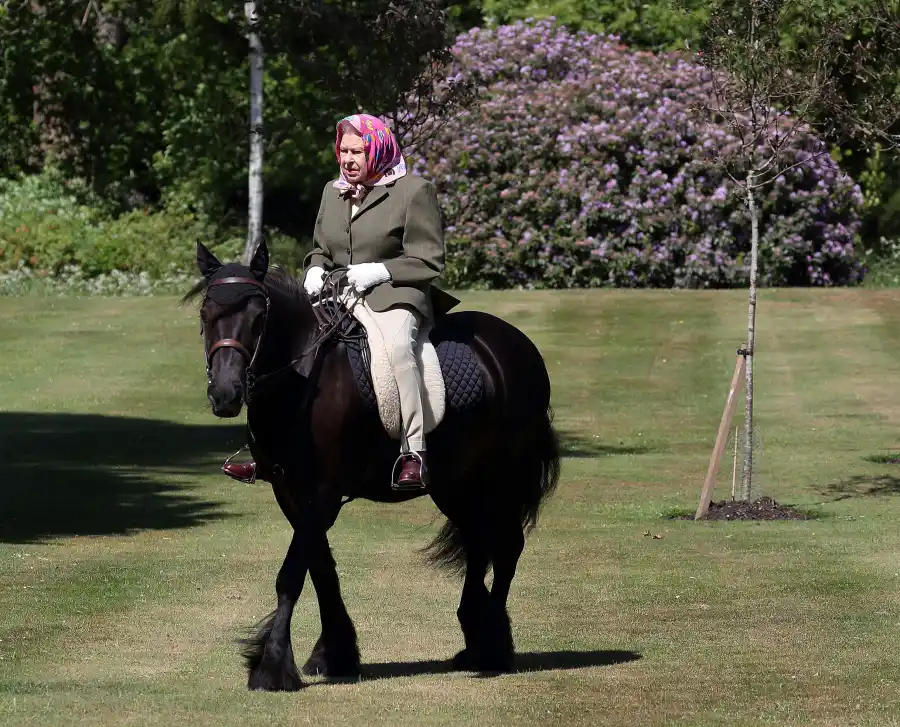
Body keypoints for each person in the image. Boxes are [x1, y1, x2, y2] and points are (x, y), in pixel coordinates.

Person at [223, 113, 455, 489]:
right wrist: (314, 268)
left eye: (356, 152)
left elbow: (429, 260)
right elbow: (320, 249)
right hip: (336, 293)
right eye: (343, 151)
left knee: (398, 349)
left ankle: (413, 452)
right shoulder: (333, 191)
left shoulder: (414, 191)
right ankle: (265, 452)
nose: (347, 159)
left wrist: (380, 271)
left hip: (393, 294)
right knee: (278, 342)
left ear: (377, 150)